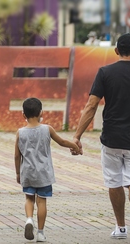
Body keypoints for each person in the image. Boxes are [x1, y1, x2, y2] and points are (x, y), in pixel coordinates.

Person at [72, 33, 130, 242]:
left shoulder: (105, 73)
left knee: (114, 182)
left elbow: (91, 106)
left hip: (111, 139)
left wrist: (77, 136)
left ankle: (121, 227)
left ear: (116, 51)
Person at [15, 97, 81, 242]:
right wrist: (75, 146)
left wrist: (18, 173)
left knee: (29, 198)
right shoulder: (47, 129)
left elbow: (16, 155)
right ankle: (40, 232)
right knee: (42, 201)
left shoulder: (20, 133)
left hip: (28, 172)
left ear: (23, 115)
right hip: (44, 173)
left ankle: (29, 220)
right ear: (41, 113)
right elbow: (62, 142)